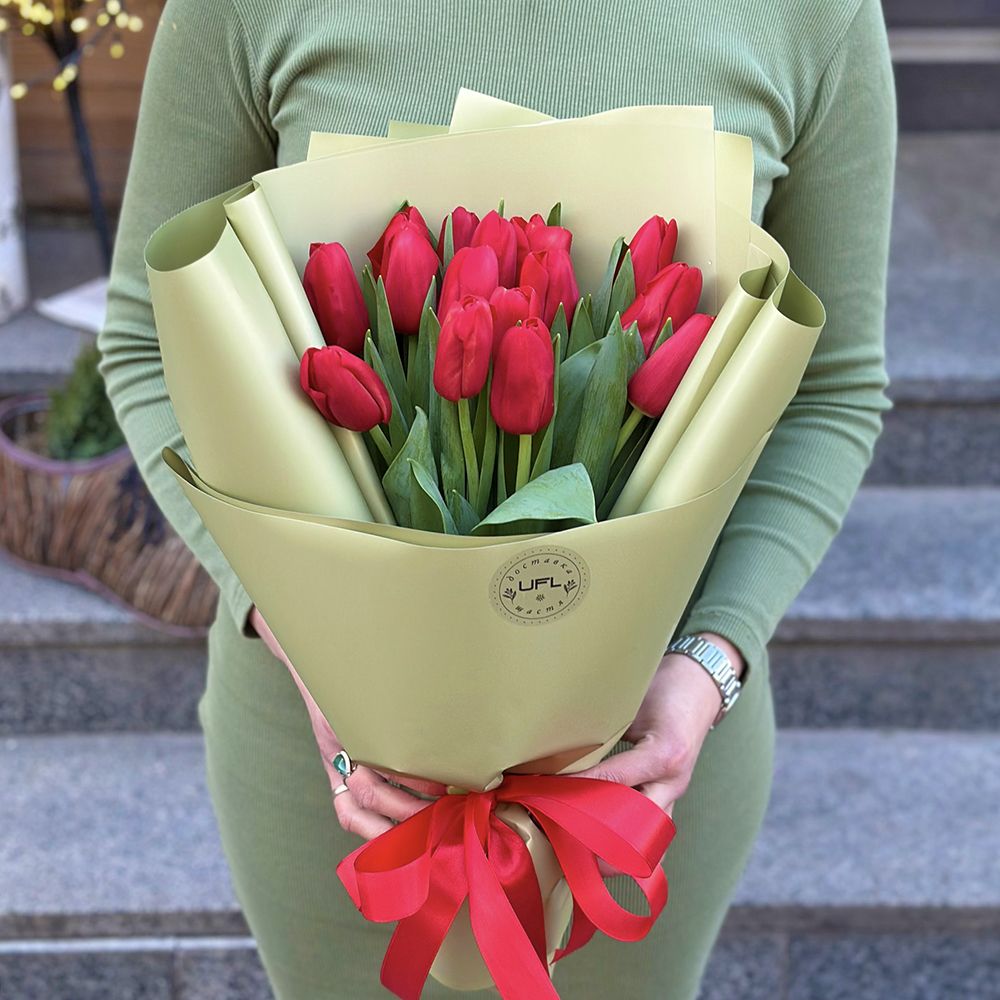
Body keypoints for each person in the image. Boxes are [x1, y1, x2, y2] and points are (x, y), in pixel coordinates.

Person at [97, 0, 896, 995]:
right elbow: (146, 340)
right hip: (335, 764)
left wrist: (708, 663)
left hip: (646, 755)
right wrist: (310, 648)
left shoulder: (812, 14)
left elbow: (830, 388)